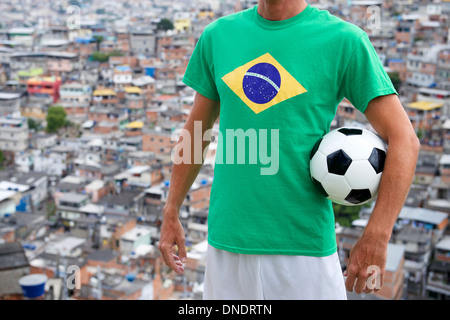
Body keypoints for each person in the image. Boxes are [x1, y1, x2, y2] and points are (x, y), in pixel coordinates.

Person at [158, 0, 419, 299]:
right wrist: (171, 209)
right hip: (226, 245)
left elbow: (405, 140)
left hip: (303, 249)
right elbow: (195, 132)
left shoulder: (343, 40)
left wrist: (378, 234)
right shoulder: (218, 36)